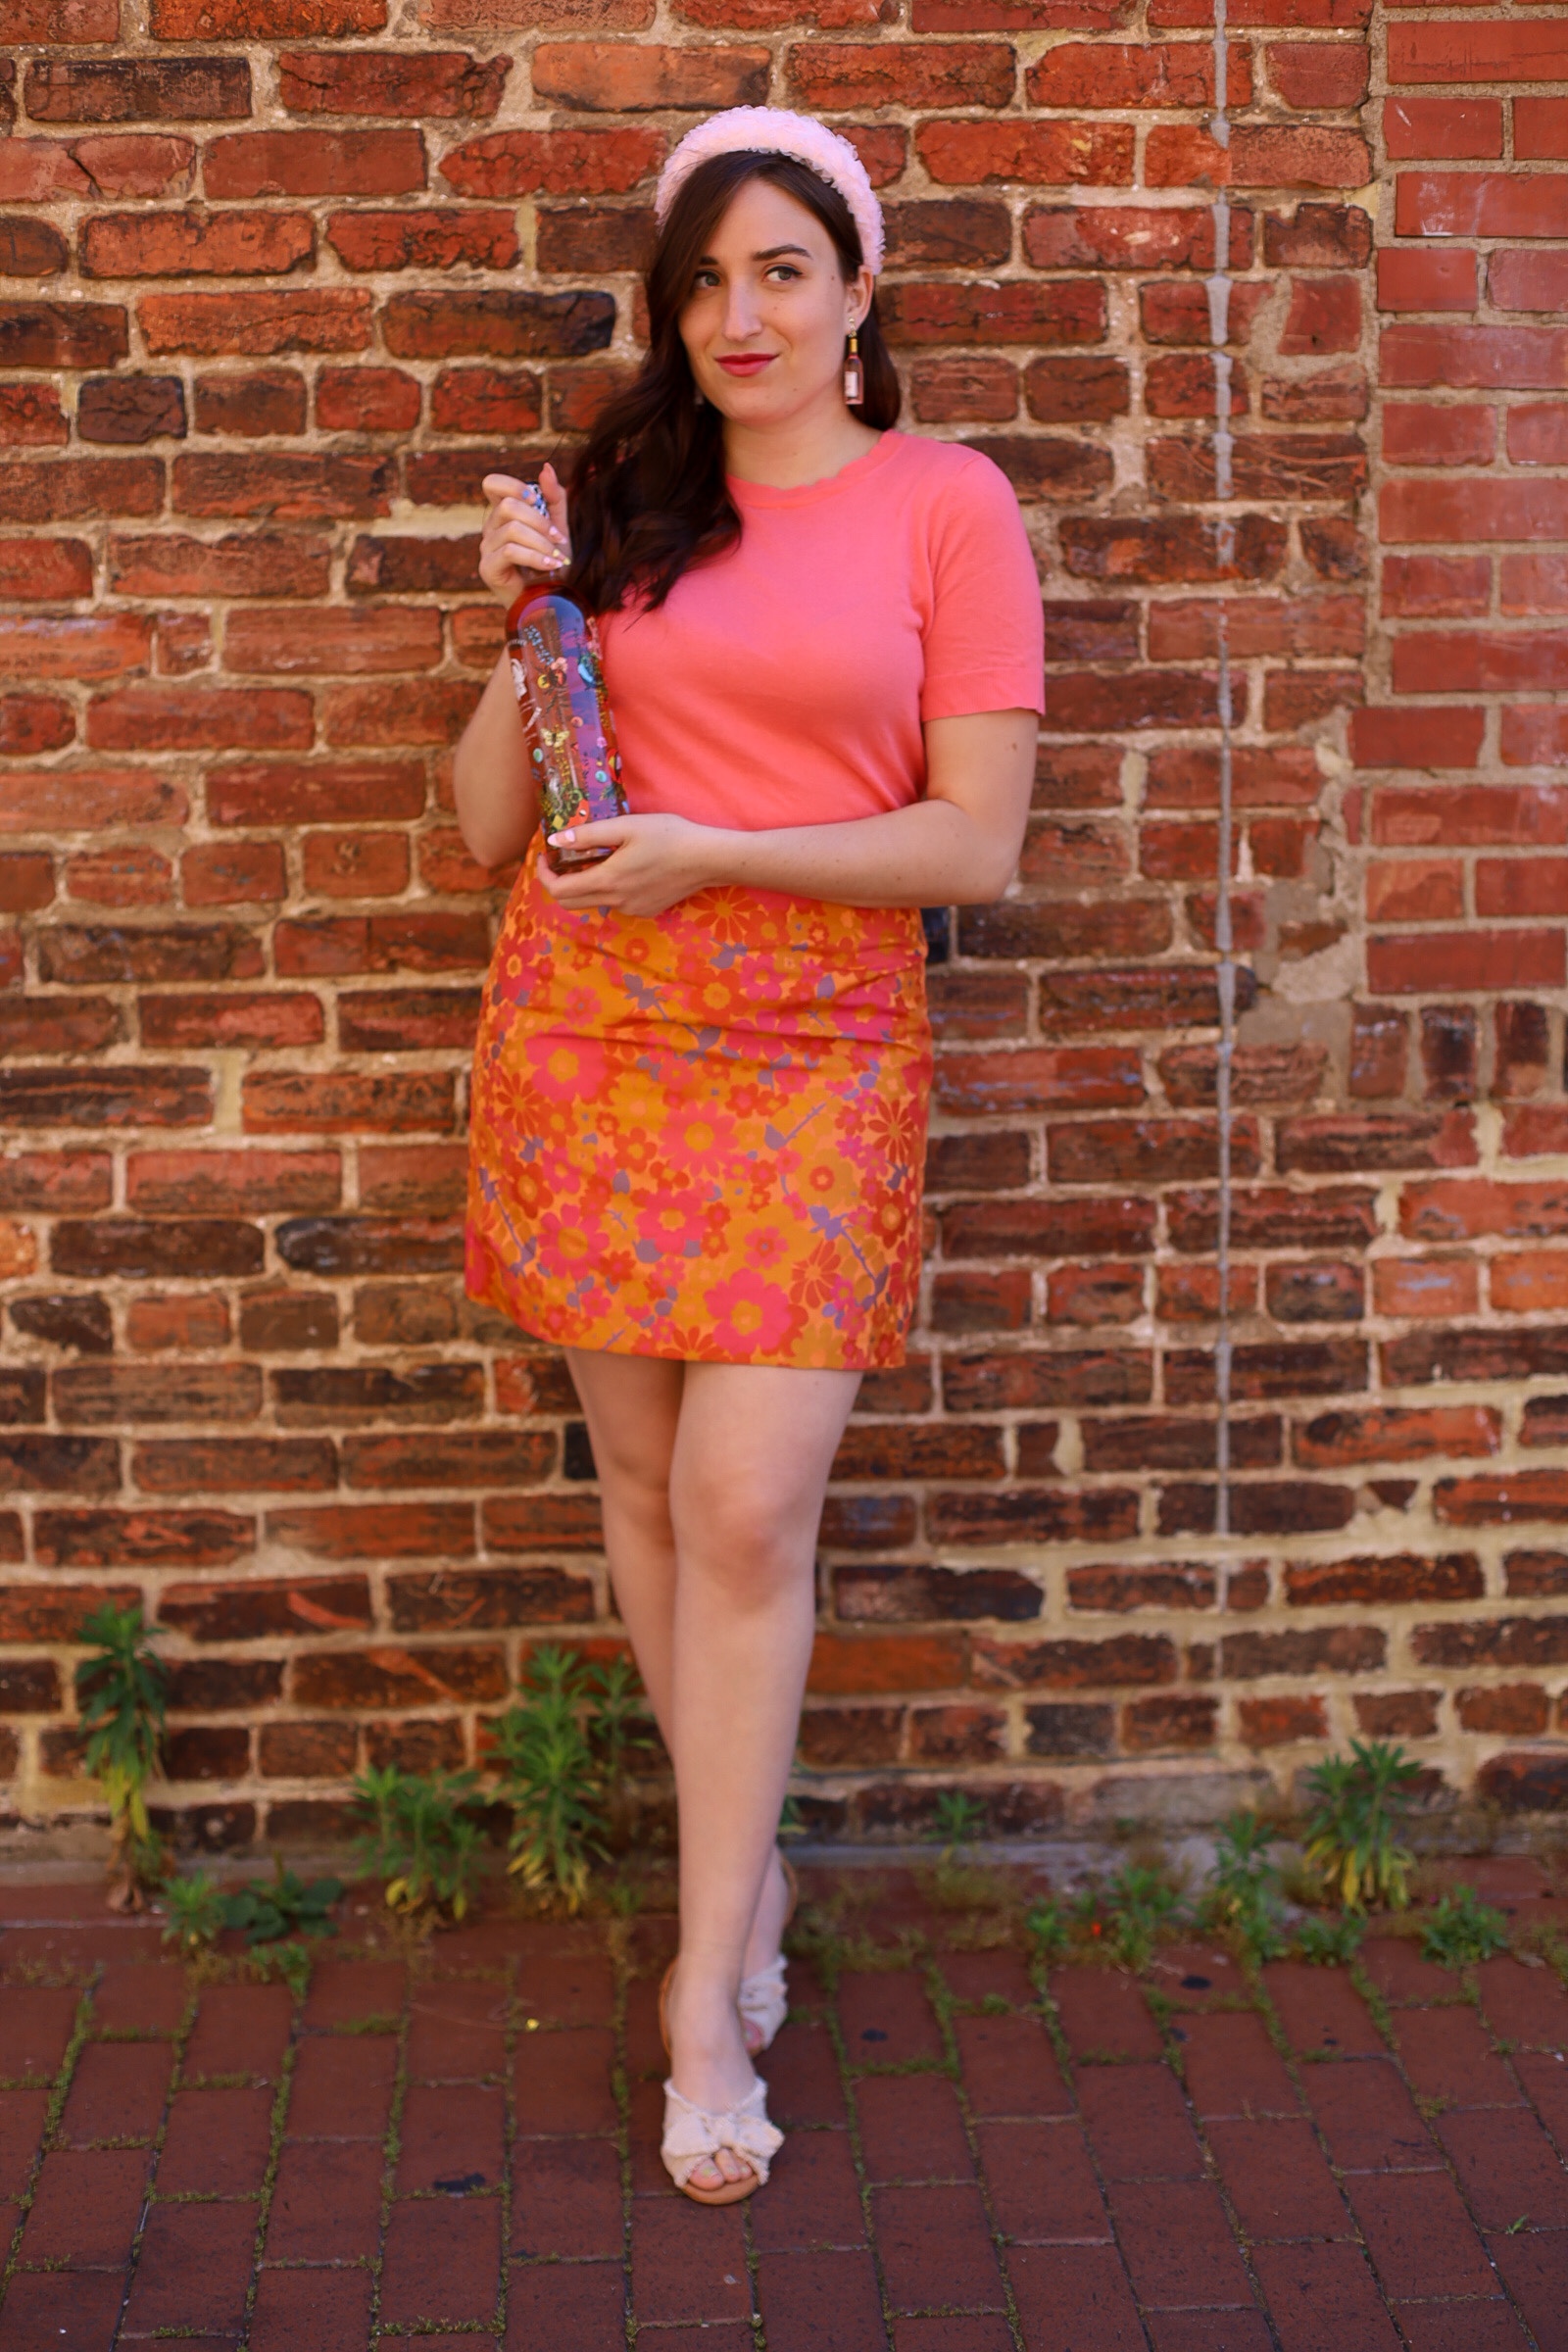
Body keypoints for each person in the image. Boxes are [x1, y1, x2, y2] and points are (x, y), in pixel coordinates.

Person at [454, 105, 1044, 2206]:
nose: (741, 315)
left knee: (740, 1501)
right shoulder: (626, 500)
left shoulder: (946, 507)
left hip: (816, 1049)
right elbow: (487, 827)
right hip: (591, 1031)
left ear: (858, 293)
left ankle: (702, 1993)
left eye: (783, 269)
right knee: (642, 1489)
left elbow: (971, 842)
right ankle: (751, 1880)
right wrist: (526, 618)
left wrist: (718, 852)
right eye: (703, 280)